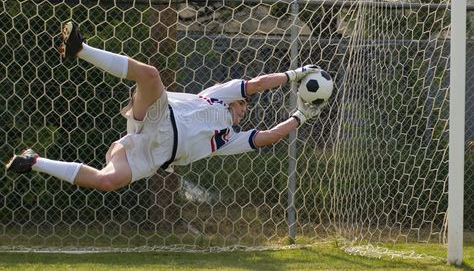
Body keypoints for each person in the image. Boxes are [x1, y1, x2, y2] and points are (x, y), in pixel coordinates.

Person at [6, 22, 324, 191]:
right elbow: (256, 83)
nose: (244, 107)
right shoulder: (219, 96)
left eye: (244, 107)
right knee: (150, 75)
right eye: (243, 103)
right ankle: (80, 48)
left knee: (106, 181)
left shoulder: (227, 139)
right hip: (161, 116)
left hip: (155, 153)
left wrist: (300, 116)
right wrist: (292, 75)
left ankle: (33, 161)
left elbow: (267, 137)